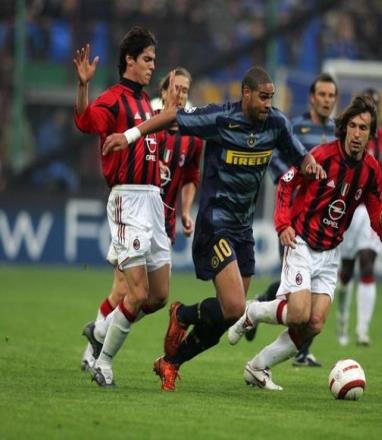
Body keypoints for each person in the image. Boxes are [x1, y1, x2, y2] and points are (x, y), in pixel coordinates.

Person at [102, 66, 325, 391]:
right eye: (263, 97)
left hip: (244, 230)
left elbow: (299, 156)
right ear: (246, 93)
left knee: (229, 315)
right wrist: (129, 136)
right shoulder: (221, 118)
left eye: (271, 98)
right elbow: (173, 117)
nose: (268, 103)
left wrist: (311, 165)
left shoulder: (276, 124)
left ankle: (172, 359)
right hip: (215, 225)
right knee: (235, 306)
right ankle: (181, 317)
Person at [227, 94, 382, 390]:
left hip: (330, 253)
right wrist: (283, 225)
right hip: (302, 242)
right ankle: (253, 311)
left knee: (314, 323)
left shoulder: (371, 170)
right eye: (353, 126)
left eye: (363, 128)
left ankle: (258, 367)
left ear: (371, 133)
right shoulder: (322, 156)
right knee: (299, 315)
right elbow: (286, 183)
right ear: (345, 127)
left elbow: (376, 210)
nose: (357, 133)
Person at [79, 66, 203, 374]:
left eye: (186, 89)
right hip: (134, 212)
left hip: (162, 220)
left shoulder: (192, 135)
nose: (180, 94)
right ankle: (94, 354)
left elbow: (191, 176)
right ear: (164, 91)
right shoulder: (149, 119)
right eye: (176, 87)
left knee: (152, 295)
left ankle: (99, 333)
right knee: (125, 290)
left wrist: (186, 210)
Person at [74, 27, 172, 387]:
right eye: (147, 59)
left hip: (153, 200)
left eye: (154, 60)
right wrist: (83, 86)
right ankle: (103, 363)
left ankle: (101, 331)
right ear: (129, 60)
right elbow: (85, 122)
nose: (152, 65)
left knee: (158, 296)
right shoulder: (113, 100)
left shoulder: (146, 103)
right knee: (137, 292)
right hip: (127, 201)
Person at [245, 73, 338, 368]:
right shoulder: (295, 127)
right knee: (299, 282)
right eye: (322, 94)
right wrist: (290, 178)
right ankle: (271, 318)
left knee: (309, 285)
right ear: (312, 97)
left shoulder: (339, 133)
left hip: (323, 220)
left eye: (331, 96)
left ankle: (265, 306)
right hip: (294, 215)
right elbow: (272, 155)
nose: (326, 100)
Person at [335, 88, 382, 346]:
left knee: (367, 264)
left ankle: (362, 330)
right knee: (346, 271)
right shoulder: (347, 136)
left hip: (369, 209)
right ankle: (342, 323)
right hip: (347, 207)